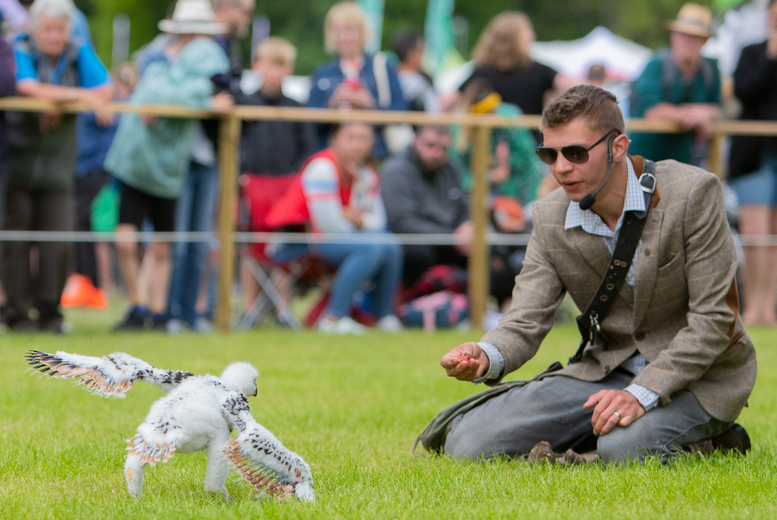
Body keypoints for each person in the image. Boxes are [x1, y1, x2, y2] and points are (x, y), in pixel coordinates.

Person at [438, 85, 756, 464]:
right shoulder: (548, 215)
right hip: (605, 371)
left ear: (617, 147)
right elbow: (525, 319)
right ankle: (604, 439)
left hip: (699, 378)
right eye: (549, 154)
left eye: (575, 153)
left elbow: (714, 320)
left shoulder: (693, 193)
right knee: (468, 442)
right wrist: (486, 354)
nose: (560, 167)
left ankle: (708, 438)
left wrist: (641, 393)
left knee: (623, 448)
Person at [104, 0, 231, 332]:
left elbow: (201, 91)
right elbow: (160, 93)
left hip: (171, 167)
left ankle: (159, 313)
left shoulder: (208, 58)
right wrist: (204, 101)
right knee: (126, 240)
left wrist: (188, 99)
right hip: (136, 161)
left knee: (162, 245)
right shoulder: (157, 58)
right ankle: (137, 304)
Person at [5, 0, 111, 332]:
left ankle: (51, 314)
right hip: (18, 161)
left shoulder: (78, 51)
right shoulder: (19, 47)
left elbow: (104, 87)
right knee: (14, 241)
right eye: (48, 29)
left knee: (59, 240)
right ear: (35, 28)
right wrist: (73, 97)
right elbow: (26, 86)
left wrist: (57, 99)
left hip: (59, 165)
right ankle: (18, 314)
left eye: (60, 30)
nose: (54, 36)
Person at [265, 122, 403, 335]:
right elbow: (329, 227)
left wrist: (354, 219)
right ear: (334, 140)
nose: (357, 145)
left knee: (390, 244)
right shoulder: (322, 168)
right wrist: (356, 221)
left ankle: (384, 315)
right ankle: (334, 317)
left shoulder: (365, 172)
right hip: (296, 243)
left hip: (338, 239)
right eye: (350, 138)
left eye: (363, 139)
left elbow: (378, 222)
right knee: (371, 246)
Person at [381, 125, 522, 307]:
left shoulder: (450, 168)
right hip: (419, 244)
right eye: (430, 145)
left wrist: (467, 229)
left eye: (443, 148)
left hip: (452, 241)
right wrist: (452, 237)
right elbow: (403, 224)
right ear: (416, 141)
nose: (436, 153)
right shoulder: (396, 171)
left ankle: (487, 309)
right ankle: (412, 308)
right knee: (419, 253)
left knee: (491, 252)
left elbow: (463, 208)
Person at [237, 37, 317, 319]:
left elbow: (307, 149)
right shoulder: (244, 104)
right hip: (252, 186)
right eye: (269, 65)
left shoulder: (297, 107)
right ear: (256, 66)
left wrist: (294, 178)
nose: (274, 72)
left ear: (289, 69)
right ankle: (250, 310)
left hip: (287, 188)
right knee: (250, 246)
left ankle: (284, 310)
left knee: (284, 245)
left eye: (280, 65)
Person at [62, 64, 138, 311]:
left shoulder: (118, 106)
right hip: (87, 170)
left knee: (95, 230)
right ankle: (90, 283)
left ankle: (99, 284)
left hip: (101, 172)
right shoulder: (97, 100)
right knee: (87, 227)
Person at [728, 0, 777, 326]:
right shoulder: (751, 52)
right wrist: (771, 58)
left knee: (774, 235)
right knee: (755, 232)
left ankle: (768, 307)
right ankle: (753, 306)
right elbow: (745, 92)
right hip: (754, 156)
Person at [307, 1, 407, 159]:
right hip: (332, 156)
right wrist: (332, 104)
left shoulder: (382, 67)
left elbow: (402, 111)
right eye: (339, 31)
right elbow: (309, 122)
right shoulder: (322, 72)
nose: (345, 37)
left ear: (363, 33)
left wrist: (371, 104)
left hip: (375, 156)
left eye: (351, 30)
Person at [459, 11, 574, 143]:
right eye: (528, 31)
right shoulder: (538, 70)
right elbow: (574, 87)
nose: (532, 35)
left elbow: (448, 101)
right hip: (533, 146)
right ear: (517, 38)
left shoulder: (481, 72)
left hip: (491, 147)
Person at [629, 3, 721, 166]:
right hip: (643, 163)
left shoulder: (710, 70)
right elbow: (652, 112)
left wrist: (706, 113)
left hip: (684, 164)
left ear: (705, 41)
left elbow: (718, 108)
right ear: (673, 35)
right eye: (683, 34)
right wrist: (694, 115)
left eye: (695, 36)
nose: (688, 41)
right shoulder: (655, 65)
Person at [391, 29, 439, 114]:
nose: (425, 55)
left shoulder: (392, 79)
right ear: (411, 55)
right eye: (422, 51)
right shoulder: (408, 83)